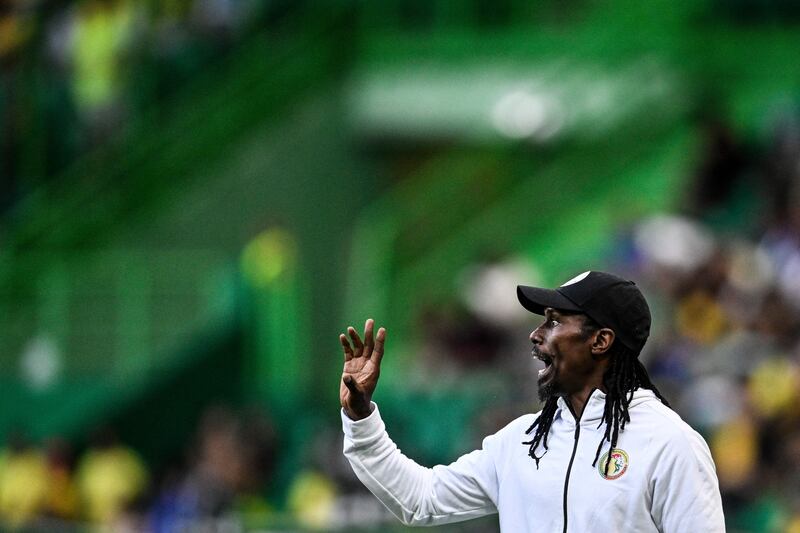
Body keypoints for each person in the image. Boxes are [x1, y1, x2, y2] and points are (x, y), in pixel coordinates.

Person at [339, 270, 725, 532]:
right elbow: (420, 499)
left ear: (601, 340)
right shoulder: (521, 441)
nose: (535, 335)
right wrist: (360, 418)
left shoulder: (670, 443)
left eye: (555, 321)